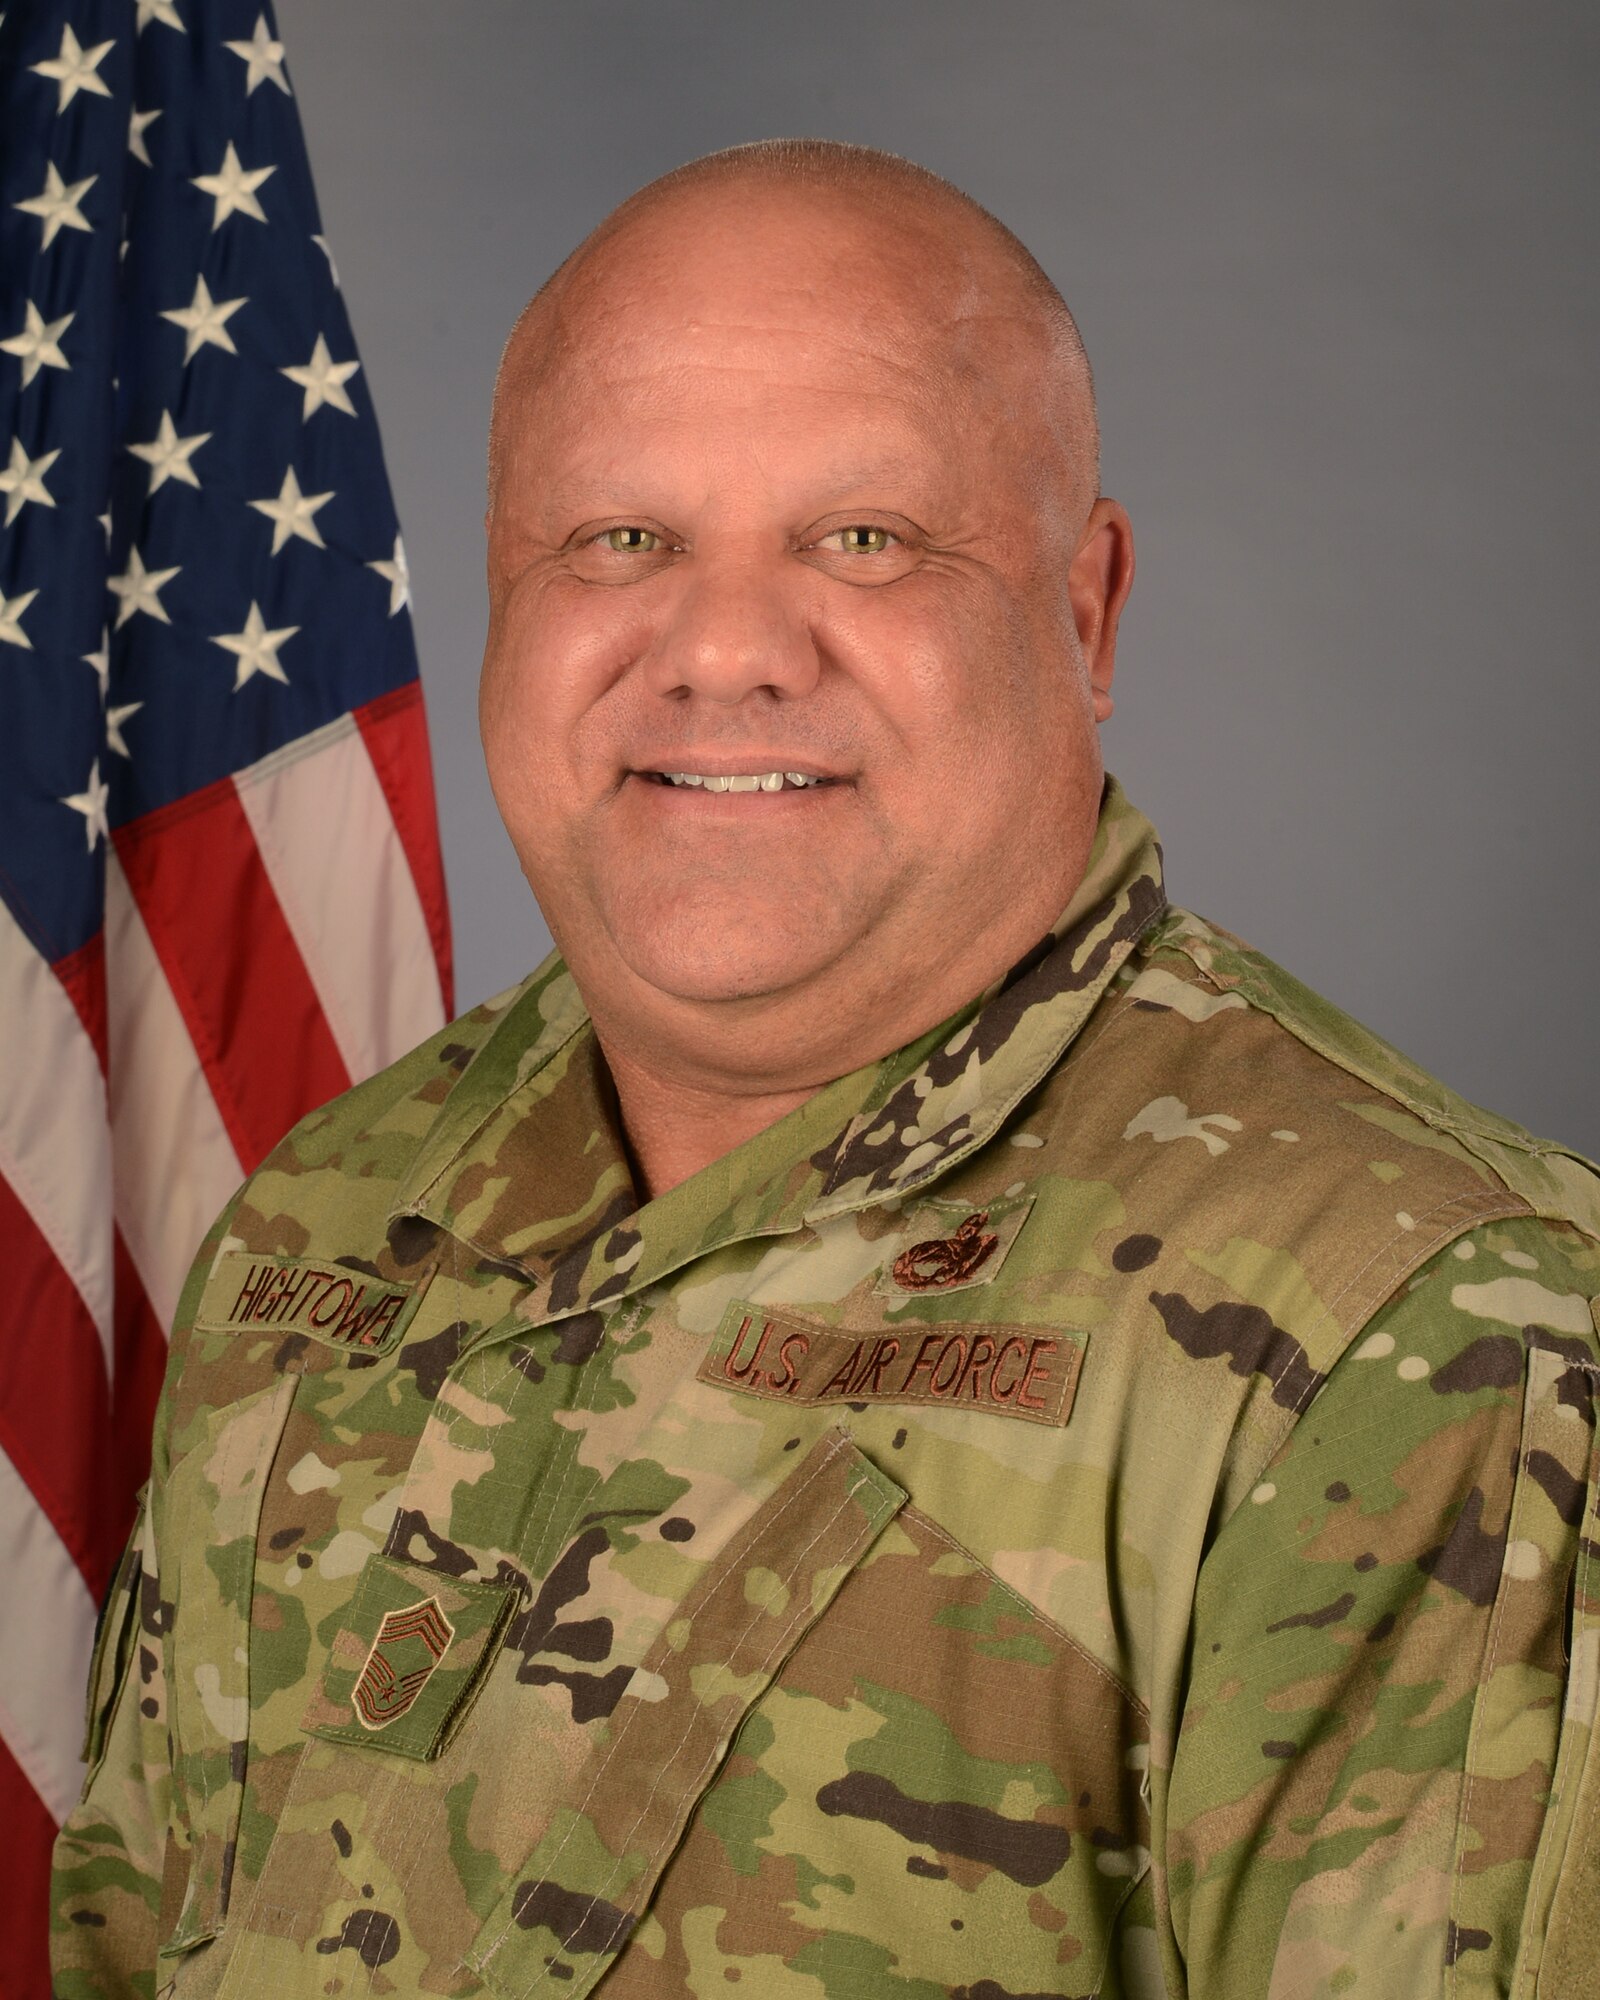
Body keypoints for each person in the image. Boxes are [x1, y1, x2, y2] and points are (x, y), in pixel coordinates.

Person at [52, 140, 1600, 2000]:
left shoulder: (1429, 1338)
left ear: (1086, 611)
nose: (719, 648)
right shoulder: (328, 1212)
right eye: (618, 540)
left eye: (864, 539)